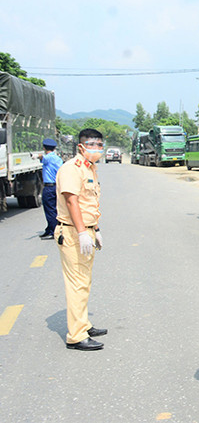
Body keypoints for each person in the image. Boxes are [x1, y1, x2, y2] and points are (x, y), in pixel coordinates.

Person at [54, 128, 107, 351]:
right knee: (77, 284)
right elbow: (71, 202)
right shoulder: (70, 169)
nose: (96, 149)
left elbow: (89, 203)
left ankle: (83, 324)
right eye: (92, 144)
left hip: (86, 230)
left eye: (99, 144)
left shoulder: (90, 168)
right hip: (74, 233)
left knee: (84, 281)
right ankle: (76, 336)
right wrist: (82, 232)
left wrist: (95, 228)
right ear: (81, 146)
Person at [36, 138, 63, 239]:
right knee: (55, 209)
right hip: (56, 186)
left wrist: (35, 156)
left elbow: (41, 157)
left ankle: (54, 231)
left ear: (44, 147)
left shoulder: (48, 158)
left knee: (50, 210)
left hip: (49, 187)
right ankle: (50, 229)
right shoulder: (57, 158)